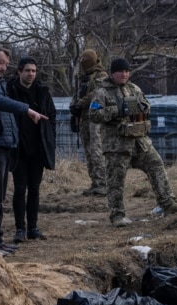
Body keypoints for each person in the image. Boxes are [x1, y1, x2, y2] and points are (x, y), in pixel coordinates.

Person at [89, 58, 177, 227]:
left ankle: (167, 203)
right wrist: (118, 110)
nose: (124, 74)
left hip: (139, 141)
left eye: (127, 71)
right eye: (120, 71)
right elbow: (94, 114)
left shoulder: (133, 88)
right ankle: (117, 215)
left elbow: (146, 105)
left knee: (156, 165)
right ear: (113, 72)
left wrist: (141, 108)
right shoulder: (102, 92)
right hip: (116, 144)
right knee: (116, 180)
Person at [0, 45, 48, 256]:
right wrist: (26, 108)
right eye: (0, 62)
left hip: (2, 144)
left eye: (6, 64)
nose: (4, 67)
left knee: (0, 195)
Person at [7, 57, 57, 243]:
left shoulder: (42, 91)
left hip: (38, 147)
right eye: (27, 70)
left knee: (34, 189)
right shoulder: (10, 90)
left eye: (34, 71)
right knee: (20, 189)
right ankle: (20, 228)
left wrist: (49, 138)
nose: (31, 74)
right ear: (19, 71)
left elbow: (51, 115)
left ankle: (33, 228)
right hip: (18, 147)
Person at [70, 50, 108, 196]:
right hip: (84, 118)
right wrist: (74, 105)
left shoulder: (101, 76)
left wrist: (80, 103)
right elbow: (79, 93)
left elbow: (97, 93)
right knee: (88, 150)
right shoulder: (84, 77)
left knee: (96, 150)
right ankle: (95, 182)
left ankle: (102, 183)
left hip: (96, 118)